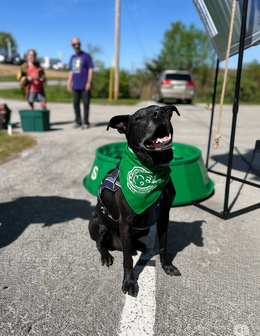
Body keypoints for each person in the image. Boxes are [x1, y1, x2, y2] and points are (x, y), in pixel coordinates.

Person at [67, 37, 94, 129]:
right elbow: (71, 71)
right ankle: (78, 121)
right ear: (72, 46)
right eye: (74, 44)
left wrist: (89, 82)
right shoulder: (73, 58)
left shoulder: (86, 56)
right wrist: (69, 83)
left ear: (80, 44)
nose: (76, 46)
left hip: (84, 85)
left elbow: (90, 69)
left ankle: (85, 122)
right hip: (75, 85)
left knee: (86, 104)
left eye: (78, 43)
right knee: (75, 104)